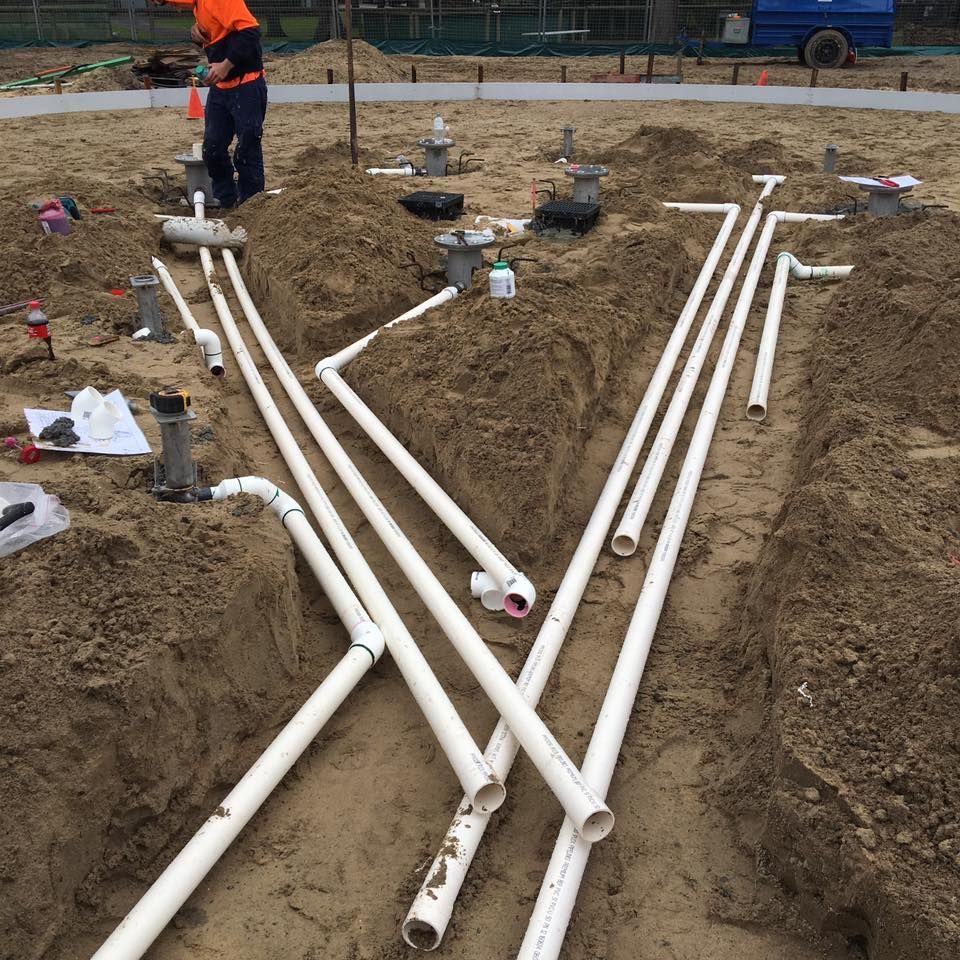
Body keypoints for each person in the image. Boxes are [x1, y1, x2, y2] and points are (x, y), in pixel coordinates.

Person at [151, 0, 267, 208]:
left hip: (247, 83)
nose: (175, 8)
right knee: (212, 150)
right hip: (221, 89)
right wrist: (199, 39)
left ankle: (252, 206)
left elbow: (250, 32)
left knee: (247, 147)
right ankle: (228, 203)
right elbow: (223, 36)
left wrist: (225, 65)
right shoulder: (199, 6)